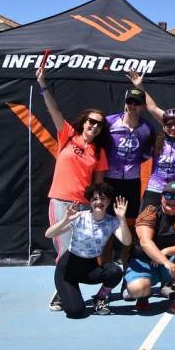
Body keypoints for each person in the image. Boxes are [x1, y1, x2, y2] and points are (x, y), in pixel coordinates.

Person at [35, 64, 111, 264]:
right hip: (61, 201)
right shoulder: (68, 135)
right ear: (84, 122)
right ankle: (63, 284)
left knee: (79, 251)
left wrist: (97, 207)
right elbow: (54, 111)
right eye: (91, 121)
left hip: (84, 205)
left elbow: (98, 186)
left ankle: (74, 282)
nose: (94, 126)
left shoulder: (99, 151)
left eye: (99, 124)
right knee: (64, 251)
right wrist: (42, 84)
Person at [45, 183, 129, 318]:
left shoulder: (112, 221)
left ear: (108, 201)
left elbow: (127, 241)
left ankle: (100, 298)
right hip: (68, 269)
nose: (99, 202)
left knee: (115, 271)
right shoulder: (78, 217)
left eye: (103, 198)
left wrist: (122, 219)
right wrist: (65, 220)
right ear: (89, 202)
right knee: (75, 312)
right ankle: (63, 291)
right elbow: (49, 234)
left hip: (90, 268)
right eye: (94, 199)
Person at [124, 181, 175, 316]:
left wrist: (166, 252)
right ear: (162, 197)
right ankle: (143, 295)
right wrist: (164, 261)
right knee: (137, 289)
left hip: (168, 264)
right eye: (168, 196)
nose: (172, 200)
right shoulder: (150, 213)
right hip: (143, 263)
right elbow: (145, 242)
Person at [104, 87, 154, 224]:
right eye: (129, 102)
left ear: (143, 106)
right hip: (109, 177)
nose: (132, 106)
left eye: (136, 103)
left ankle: (127, 239)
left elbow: (147, 153)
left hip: (132, 180)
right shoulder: (109, 122)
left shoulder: (148, 128)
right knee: (107, 214)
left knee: (130, 216)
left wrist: (134, 163)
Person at [142, 109, 175, 215]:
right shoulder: (155, 141)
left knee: (171, 224)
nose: (173, 128)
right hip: (154, 189)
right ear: (163, 126)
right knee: (147, 220)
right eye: (169, 125)